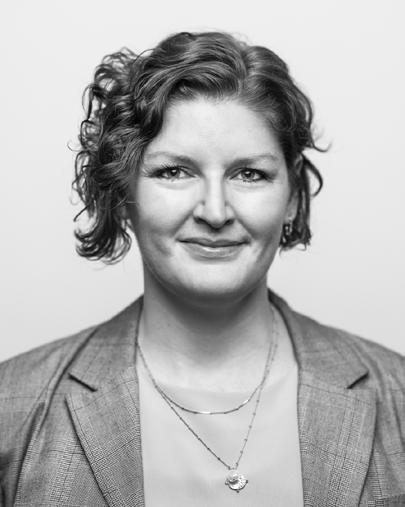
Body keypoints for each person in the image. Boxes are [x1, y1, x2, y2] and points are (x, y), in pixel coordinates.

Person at [0, 31, 404, 507]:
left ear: (293, 198)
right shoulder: (13, 405)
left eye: (249, 174)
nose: (215, 211)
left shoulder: (396, 394)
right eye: (174, 171)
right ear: (123, 195)